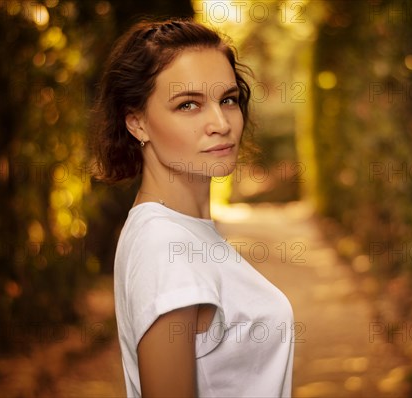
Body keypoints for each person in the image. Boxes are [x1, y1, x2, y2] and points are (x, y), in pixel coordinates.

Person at [91, 19, 295, 397]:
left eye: (228, 100)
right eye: (188, 104)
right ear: (137, 122)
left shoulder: (172, 230)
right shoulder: (166, 247)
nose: (221, 123)